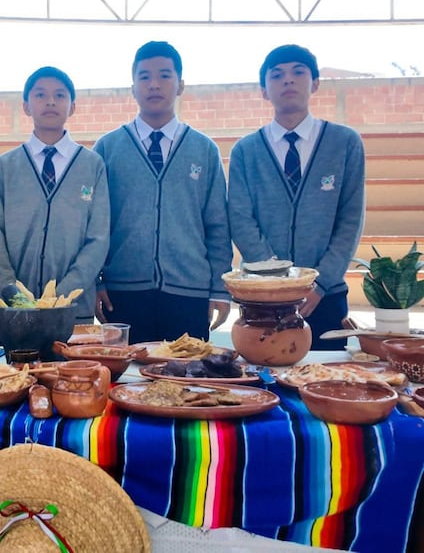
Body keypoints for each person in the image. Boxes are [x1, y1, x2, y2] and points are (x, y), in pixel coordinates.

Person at [227, 44, 366, 350]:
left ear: (315, 83)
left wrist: (317, 283)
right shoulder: (246, 150)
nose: (287, 80)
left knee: (323, 378)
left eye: (298, 72)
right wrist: (278, 282)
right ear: (264, 90)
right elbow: (240, 217)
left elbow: (350, 219)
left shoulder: (345, 143)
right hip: (262, 297)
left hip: (325, 295)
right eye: (277, 75)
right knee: (265, 378)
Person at [93, 41, 232, 343]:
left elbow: (218, 225)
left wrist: (220, 289)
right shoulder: (107, 148)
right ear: (133, 87)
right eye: (144, 77)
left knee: (187, 383)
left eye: (164, 76)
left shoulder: (204, 149)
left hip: (189, 293)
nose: (154, 84)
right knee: (126, 383)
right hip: (122, 293)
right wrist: (95, 281)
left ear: (180, 85)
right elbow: (93, 224)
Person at [0, 66, 110, 323]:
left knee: (74, 364)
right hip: (14, 312)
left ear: (72, 106)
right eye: (40, 95)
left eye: (60, 95)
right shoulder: (5, 167)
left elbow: (98, 239)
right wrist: (13, 294)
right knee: (11, 366)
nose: (50, 101)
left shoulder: (92, 165)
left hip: (73, 310)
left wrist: (61, 296)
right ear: (26, 106)